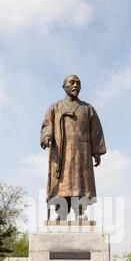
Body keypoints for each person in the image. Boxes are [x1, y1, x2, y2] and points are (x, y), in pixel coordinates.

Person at [40, 75, 106, 221]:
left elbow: (96, 131)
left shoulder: (87, 108)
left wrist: (97, 151)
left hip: (82, 153)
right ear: (64, 86)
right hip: (61, 154)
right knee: (61, 184)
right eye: (72, 82)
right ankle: (61, 213)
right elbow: (47, 125)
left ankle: (80, 211)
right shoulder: (55, 107)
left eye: (78, 83)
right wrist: (46, 137)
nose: (76, 85)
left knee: (81, 182)